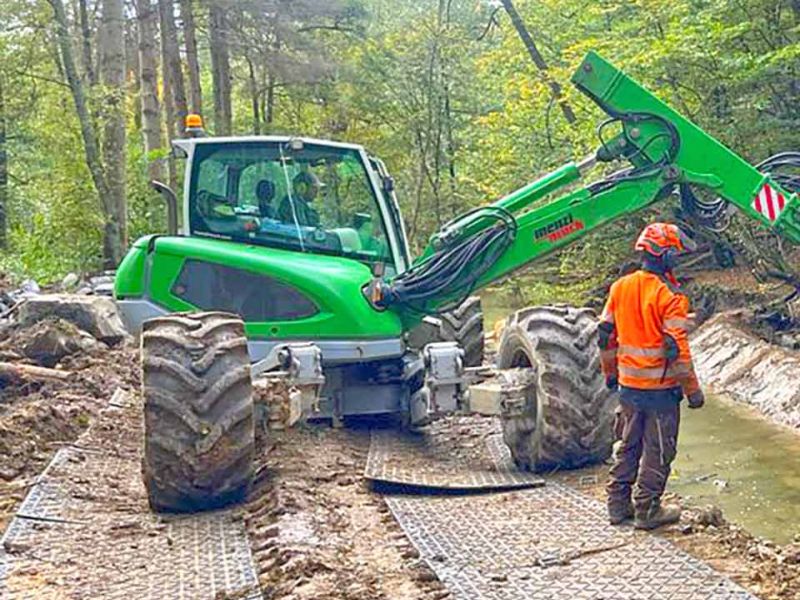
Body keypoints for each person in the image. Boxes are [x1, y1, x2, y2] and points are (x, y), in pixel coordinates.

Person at [599, 223, 705, 531]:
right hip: (660, 391)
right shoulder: (668, 294)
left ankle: (617, 506)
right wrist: (693, 390)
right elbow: (677, 349)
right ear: (667, 255)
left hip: (628, 388)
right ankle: (647, 509)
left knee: (629, 445)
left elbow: (605, 335)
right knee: (659, 450)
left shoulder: (620, 287)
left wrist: (610, 374)